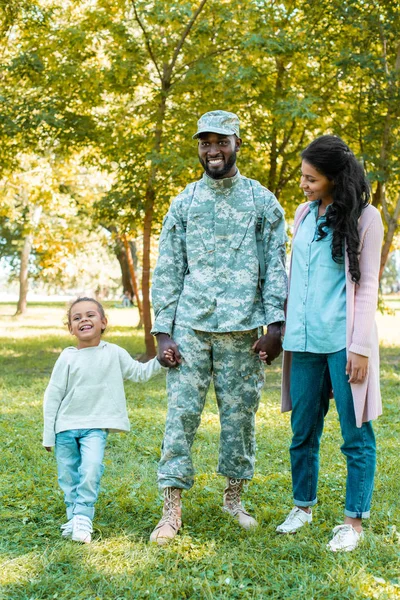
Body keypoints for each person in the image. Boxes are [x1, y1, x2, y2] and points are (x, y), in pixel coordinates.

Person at [149, 110, 287, 544]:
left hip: (244, 332)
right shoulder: (184, 202)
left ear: (237, 145)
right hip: (190, 328)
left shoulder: (262, 201)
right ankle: (171, 509)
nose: (213, 150)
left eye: (221, 142)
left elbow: (275, 268)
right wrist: (162, 333)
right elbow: (168, 268)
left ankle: (233, 499)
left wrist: (276, 325)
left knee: (240, 419)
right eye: (205, 142)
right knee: (180, 418)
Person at [272, 135, 383, 552]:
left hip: (342, 339)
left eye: (311, 178)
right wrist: (281, 329)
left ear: (335, 178)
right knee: (302, 430)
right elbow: (295, 276)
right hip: (304, 341)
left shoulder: (366, 218)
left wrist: (360, 347)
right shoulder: (303, 213)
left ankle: (352, 522)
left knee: (355, 434)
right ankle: (303, 507)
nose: (303, 184)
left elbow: (368, 283)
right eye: (302, 177)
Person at [43, 297, 165, 543]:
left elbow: (139, 373)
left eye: (90, 315)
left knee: (90, 468)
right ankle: (74, 517)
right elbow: (52, 396)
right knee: (68, 476)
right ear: (70, 328)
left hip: (95, 428)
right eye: (76, 318)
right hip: (65, 427)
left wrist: (161, 361)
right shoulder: (66, 357)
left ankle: (83, 517)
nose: (83, 320)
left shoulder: (114, 352)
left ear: (103, 322)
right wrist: (49, 433)